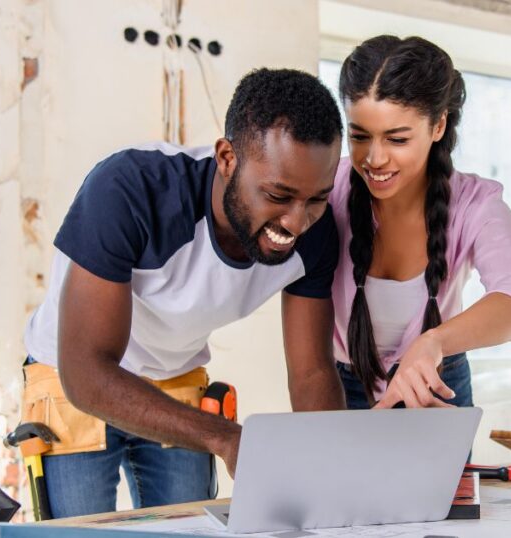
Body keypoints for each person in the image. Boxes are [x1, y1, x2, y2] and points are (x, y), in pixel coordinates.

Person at [19, 68, 345, 518]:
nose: (295, 222)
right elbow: (87, 371)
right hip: (71, 374)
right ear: (227, 158)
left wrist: (334, 475)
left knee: (192, 530)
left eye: (316, 198)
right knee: (81, 531)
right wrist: (226, 437)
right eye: (277, 194)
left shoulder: (317, 233)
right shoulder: (129, 190)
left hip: (175, 374)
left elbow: (311, 373)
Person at [330, 36, 511, 410]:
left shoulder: (476, 204)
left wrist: (434, 342)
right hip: (342, 383)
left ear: (438, 126)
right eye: (359, 136)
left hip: (436, 382)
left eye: (397, 138)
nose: (374, 158)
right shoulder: (328, 187)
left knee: (454, 474)